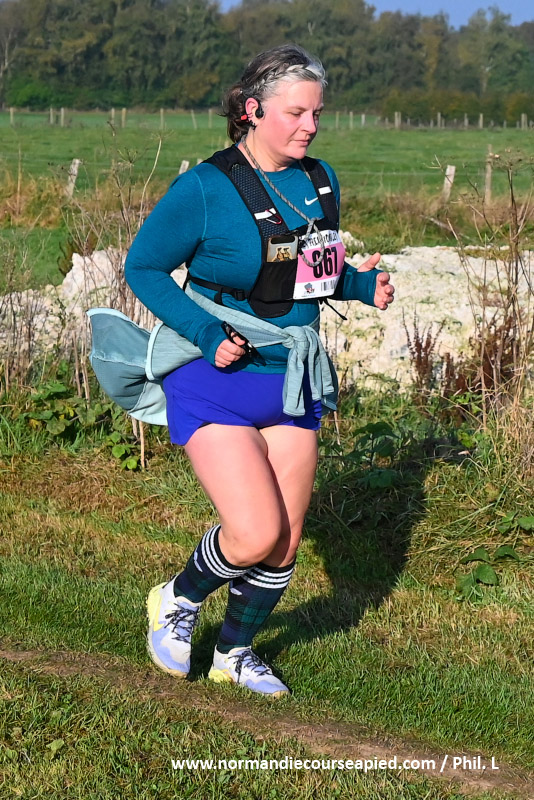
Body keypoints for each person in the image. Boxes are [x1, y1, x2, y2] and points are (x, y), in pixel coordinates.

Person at [124, 44, 395, 698]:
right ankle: (178, 599)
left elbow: (310, 273)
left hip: (292, 378)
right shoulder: (205, 188)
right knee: (253, 533)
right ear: (252, 110)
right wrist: (205, 333)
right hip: (213, 375)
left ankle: (234, 653)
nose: (310, 126)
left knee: (284, 543)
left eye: (317, 113)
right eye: (295, 113)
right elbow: (143, 267)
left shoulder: (319, 181)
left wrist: (362, 287)